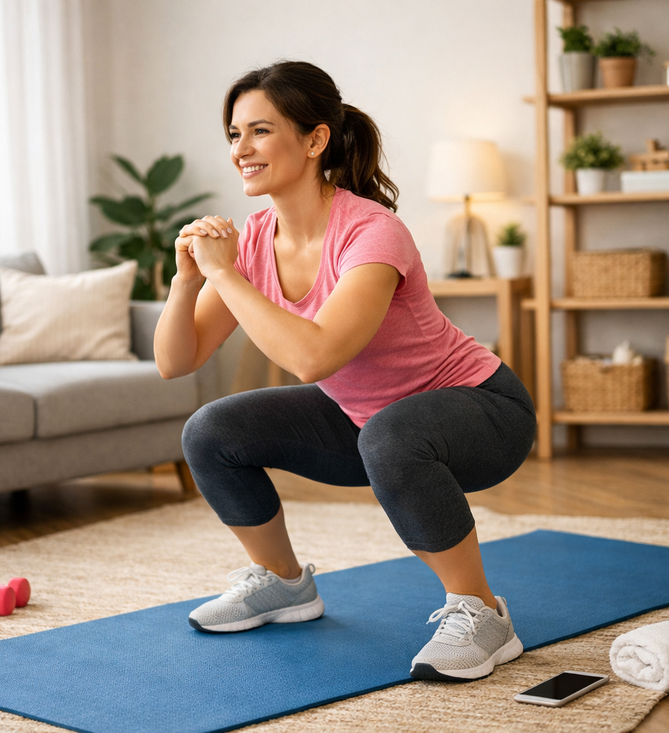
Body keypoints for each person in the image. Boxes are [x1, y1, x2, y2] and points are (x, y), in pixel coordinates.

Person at [153, 60, 536, 682]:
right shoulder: (253, 241)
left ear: (315, 139)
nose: (240, 150)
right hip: (370, 421)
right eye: (233, 135)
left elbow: (313, 356)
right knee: (210, 431)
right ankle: (283, 585)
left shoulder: (372, 232)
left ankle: (483, 612)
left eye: (258, 131)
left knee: (391, 434)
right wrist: (188, 278)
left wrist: (224, 273)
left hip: (481, 410)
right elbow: (176, 361)